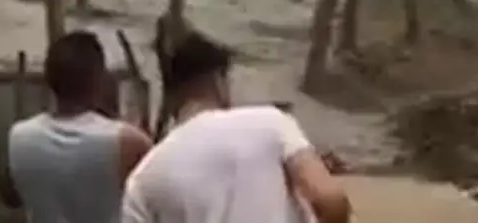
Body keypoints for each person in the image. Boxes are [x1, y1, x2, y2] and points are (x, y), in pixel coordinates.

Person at [121, 30, 352, 223]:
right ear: (219, 81)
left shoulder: (144, 177)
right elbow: (330, 200)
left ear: (170, 94)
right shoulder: (271, 122)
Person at [5, 30, 153, 223]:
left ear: (48, 78)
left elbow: (11, 196)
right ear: (99, 79)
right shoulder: (128, 142)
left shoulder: (20, 136)